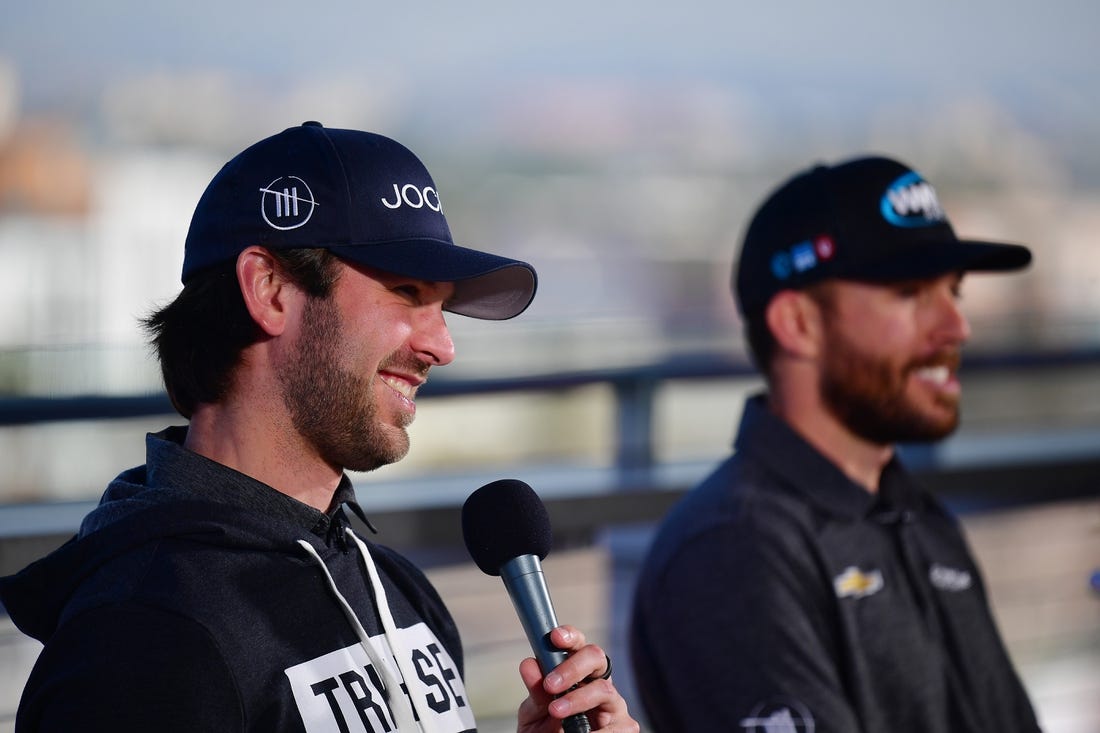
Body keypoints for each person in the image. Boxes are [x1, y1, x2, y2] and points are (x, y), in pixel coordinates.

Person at [0, 121, 637, 733]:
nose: (443, 345)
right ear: (271, 289)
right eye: (408, 292)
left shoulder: (398, 590)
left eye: (443, 309)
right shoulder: (142, 638)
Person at [630, 155, 1043, 732]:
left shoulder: (920, 518)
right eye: (910, 293)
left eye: (954, 292)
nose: (957, 327)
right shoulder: (733, 547)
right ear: (799, 324)